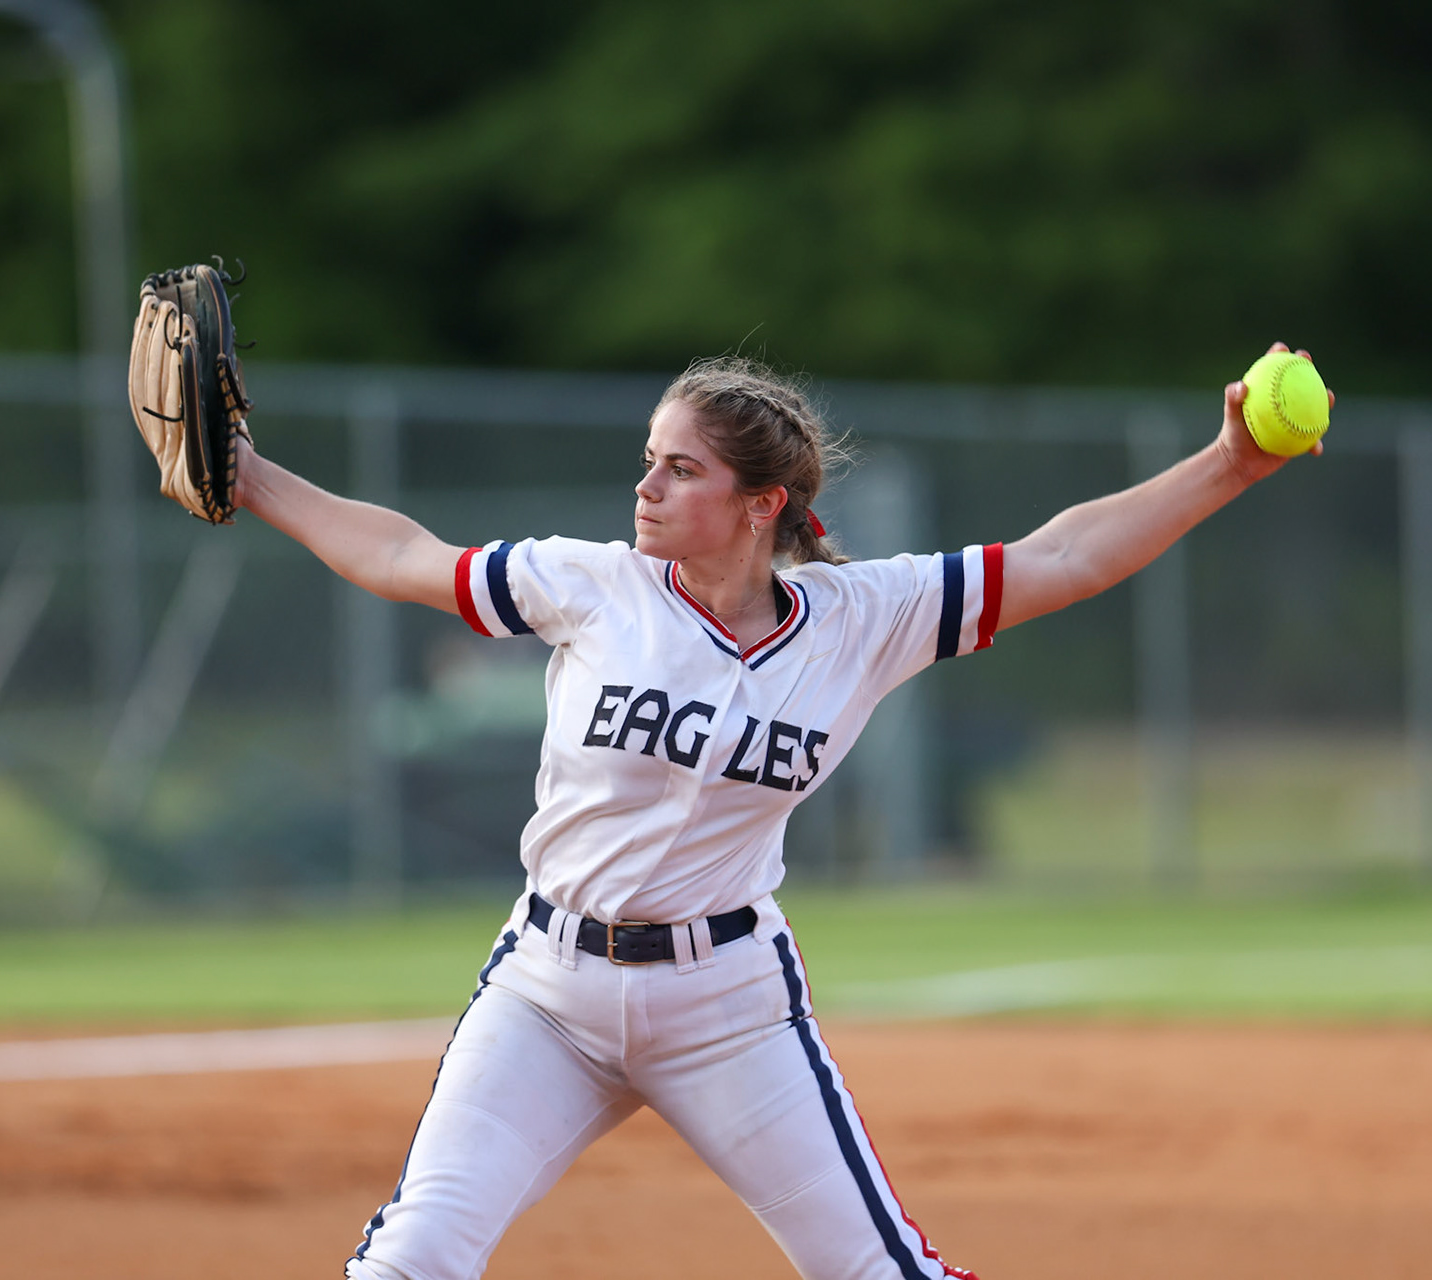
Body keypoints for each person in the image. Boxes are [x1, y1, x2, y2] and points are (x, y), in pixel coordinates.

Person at [230, 347, 1326, 1280]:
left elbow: (1066, 555)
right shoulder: (594, 585)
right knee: (412, 1258)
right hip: (548, 995)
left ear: (760, 505)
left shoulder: (862, 619)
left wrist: (1230, 463)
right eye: (649, 461)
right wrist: (245, 472)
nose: (648, 487)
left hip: (728, 1008)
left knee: (882, 1268)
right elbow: (400, 554)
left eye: (681, 468)